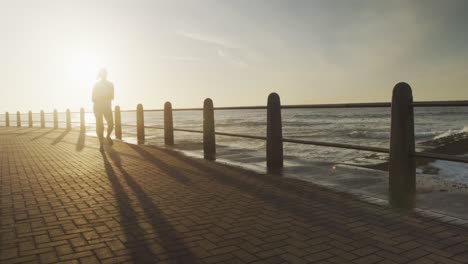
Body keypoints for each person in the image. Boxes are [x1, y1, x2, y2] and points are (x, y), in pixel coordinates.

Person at [92, 68, 114, 151]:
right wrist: (102, 97)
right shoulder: (96, 84)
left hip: (107, 107)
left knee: (111, 124)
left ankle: (108, 136)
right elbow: (93, 98)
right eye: (102, 73)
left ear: (106, 74)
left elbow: (112, 96)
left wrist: (100, 97)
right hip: (97, 107)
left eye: (105, 73)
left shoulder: (110, 84)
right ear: (101, 75)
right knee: (99, 125)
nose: (104, 75)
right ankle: (101, 143)